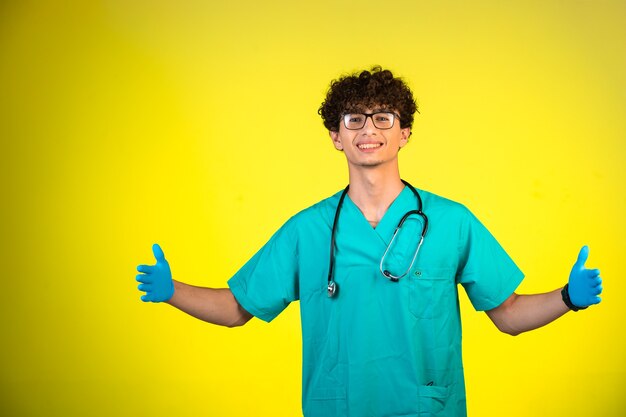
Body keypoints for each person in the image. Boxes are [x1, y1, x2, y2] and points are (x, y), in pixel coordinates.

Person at [135, 66, 603, 417]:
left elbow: (510, 315)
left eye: (383, 117)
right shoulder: (308, 230)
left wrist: (567, 297)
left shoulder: (451, 222)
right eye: (353, 119)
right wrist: (171, 289)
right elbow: (237, 309)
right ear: (336, 137)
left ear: (405, 133)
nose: (368, 129)